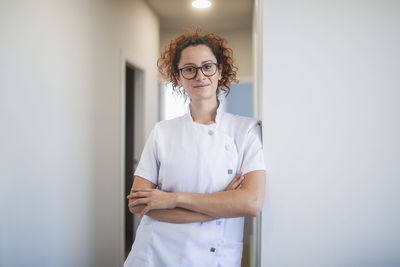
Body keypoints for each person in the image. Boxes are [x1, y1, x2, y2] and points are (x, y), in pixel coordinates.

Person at [124, 28, 266, 267]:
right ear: (178, 77)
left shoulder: (245, 131)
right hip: (154, 254)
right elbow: (138, 203)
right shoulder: (162, 131)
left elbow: (250, 203)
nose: (200, 76)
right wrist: (220, 205)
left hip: (213, 258)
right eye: (189, 69)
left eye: (207, 66)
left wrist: (170, 199)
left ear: (220, 71)